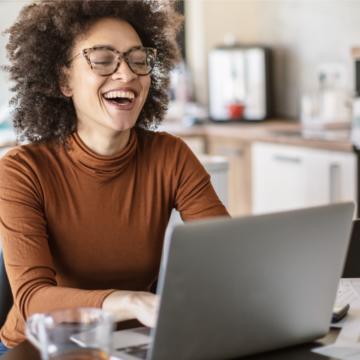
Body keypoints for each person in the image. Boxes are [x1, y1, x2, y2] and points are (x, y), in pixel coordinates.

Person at [0, 0, 229, 353]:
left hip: (132, 344)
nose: (127, 75)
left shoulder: (171, 155)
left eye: (138, 60)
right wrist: (131, 302)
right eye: (103, 59)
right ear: (63, 80)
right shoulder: (22, 169)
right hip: (41, 350)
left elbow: (225, 253)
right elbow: (33, 301)